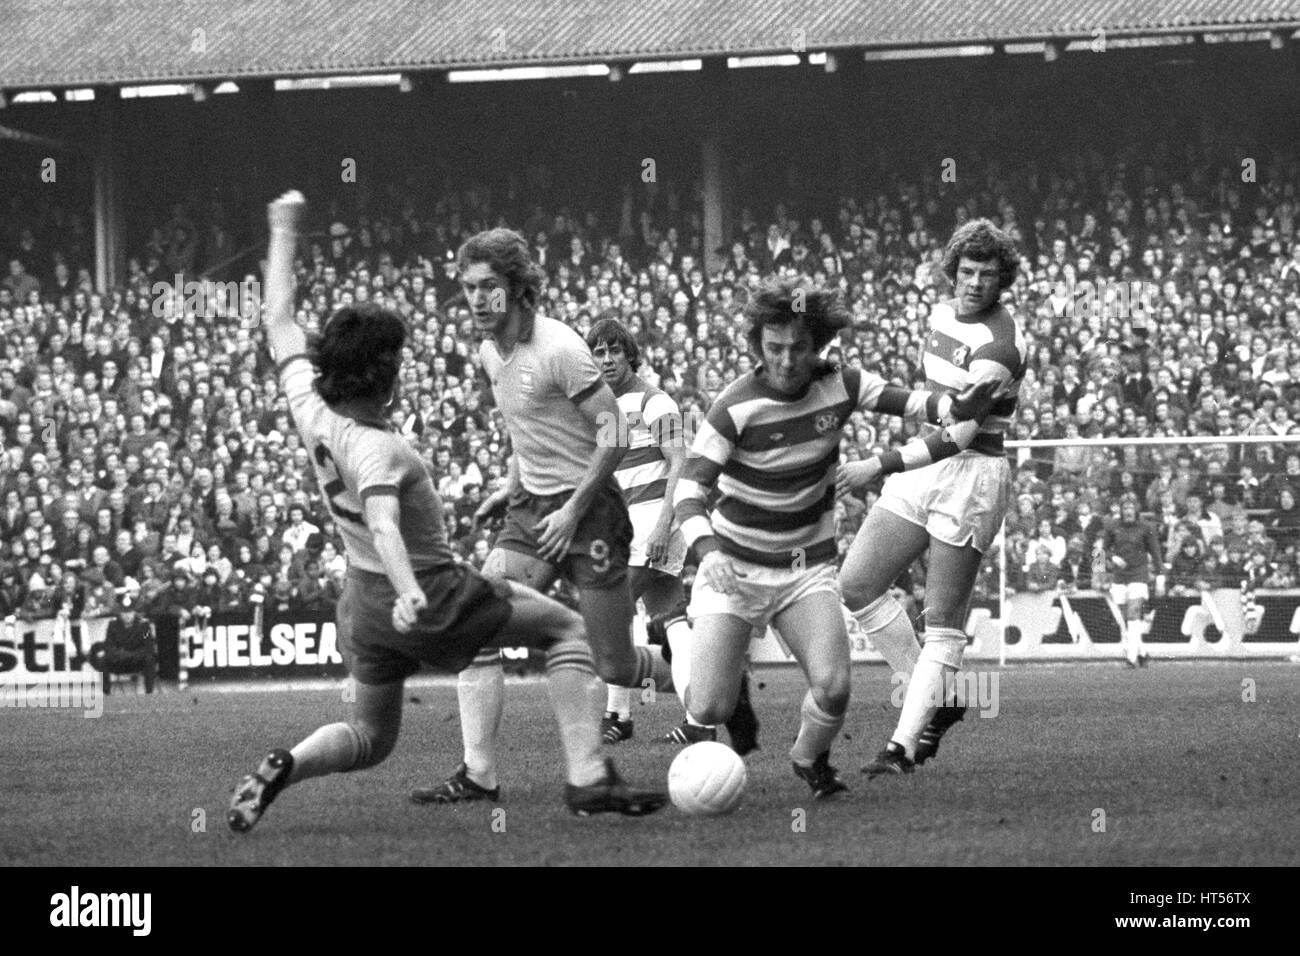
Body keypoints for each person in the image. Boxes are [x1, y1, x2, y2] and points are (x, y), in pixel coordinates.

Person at [227, 193, 665, 833]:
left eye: (487, 287)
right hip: (426, 592)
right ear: (389, 374)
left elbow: (279, 319)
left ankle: (286, 764)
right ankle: (586, 778)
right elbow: (383, 520)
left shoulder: (309, 409)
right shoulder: (384, 448)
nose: (475, 299)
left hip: (362, 605)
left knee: (371, 738)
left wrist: (280, 227)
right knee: (566, 635)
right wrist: (411, 592)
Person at [673, 277, 997, 798]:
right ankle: (719, 679)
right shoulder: (731, 407)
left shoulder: (842, 384)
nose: (785, 359)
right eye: (773, 348)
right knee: (708, 707)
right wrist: (706, 552)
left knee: (834, 685)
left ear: (817, 345)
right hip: (732, 568)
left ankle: (809, 759)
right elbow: (689, 491)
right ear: (757, 345)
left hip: (805, 570)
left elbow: (914, 402)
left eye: (798, 348)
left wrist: (959, 404)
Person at [412, 229, 675, 805]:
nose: (477, 300)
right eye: (468, 288)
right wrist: (508, 492)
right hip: (531, 511)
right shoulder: (487, 352)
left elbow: (614, 433)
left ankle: (708, 681)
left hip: (591, 514)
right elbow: (526, 433)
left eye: (489, 288)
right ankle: (478, 774)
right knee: (474, 617)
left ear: (518, 289)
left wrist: (574, 509)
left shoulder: (559, 348)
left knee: (614, 662)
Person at [839, 218, 1027, 777]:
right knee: (857, 583)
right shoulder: (941, 314)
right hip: (927, 461)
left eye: (987, 275)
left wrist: (877, 463)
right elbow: (935, 405)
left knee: (941, 617)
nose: (974, 283)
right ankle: (941, 698)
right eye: (967, 271)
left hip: (970, 475)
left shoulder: (1002, 346)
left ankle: (900, 746)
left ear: (1003, 280)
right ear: (952, 271)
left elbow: (958, 435)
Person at [585, 315, 759, 751]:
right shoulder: (603, 406)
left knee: (612, 609)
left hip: (653, 522)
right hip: (629, 526)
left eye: (614, 350)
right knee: (671, 621)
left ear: (630, 355)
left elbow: (679, 462)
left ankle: (619, 714)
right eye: (599, 352)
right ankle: (700, 716)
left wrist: (665, 524)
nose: (606, 359)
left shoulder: (653, 401)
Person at [1104, 495, 1165, 667]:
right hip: (1119, 577)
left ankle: (1131, 659)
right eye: (1125, 508)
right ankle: (1143, 653)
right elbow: (1100, 551)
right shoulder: (1111, 526)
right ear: (1121, 511)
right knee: (1127, 620)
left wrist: (1160, 576)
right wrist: (1112, 559)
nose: (1128, 511)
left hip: (1139, 574)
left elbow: (1156, 553)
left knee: (1133, 613)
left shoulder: (1147, 527)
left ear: (1136, 510)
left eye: (1131, 508)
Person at [88, 594, 157, 695]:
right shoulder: (113, 625)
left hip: (137, 661)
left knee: (149, 660)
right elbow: (109, 646)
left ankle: (149, 693)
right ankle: (106, 693)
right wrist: (122, 655)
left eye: (129, 612)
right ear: (120, 613)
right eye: (124, 613)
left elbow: (148, 646)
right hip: (119, 661)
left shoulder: (144, 626)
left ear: (134, 612)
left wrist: (133, 655)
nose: (127, 615)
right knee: (103, 661)